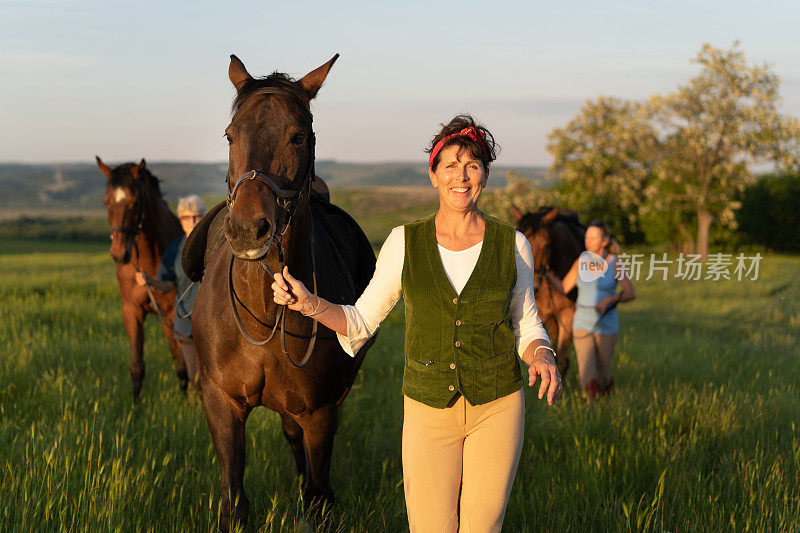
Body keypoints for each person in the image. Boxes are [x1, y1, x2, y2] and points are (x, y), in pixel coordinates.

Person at [271, 114, 562, 532]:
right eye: (451, 165)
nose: (462, 176)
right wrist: (309, 303)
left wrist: (543, 355)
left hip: (498, 405)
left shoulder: (513, 244)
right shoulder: (404, 242)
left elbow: (528, 325)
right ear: (434, 175)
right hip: (428, 409)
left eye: (473, 166)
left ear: (484, 175)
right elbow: (359, 320)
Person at [545, 221, 635, 400]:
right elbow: (564, 287)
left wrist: (611, 298)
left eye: (592, 237)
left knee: (604, 370)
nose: (587, 240)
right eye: (586, 236)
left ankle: (605, 401)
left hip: (606, 324)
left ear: (605, 241)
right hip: (582, 323)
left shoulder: (614, 263)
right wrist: (545, 274)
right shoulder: (581, 262)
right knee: (586, 370)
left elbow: (630, 292)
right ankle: (591, 410)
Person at [135, 194, 206, 387]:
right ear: (180, 222)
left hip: (212, 322)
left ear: (204, 218)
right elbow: (167, 284)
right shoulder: (174, 249)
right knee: (196, 380)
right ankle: (195, 409)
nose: (192, 221)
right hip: (186, 322)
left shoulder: (214, 245)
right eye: (187, 217)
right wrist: (149, 281)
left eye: (197, 216)